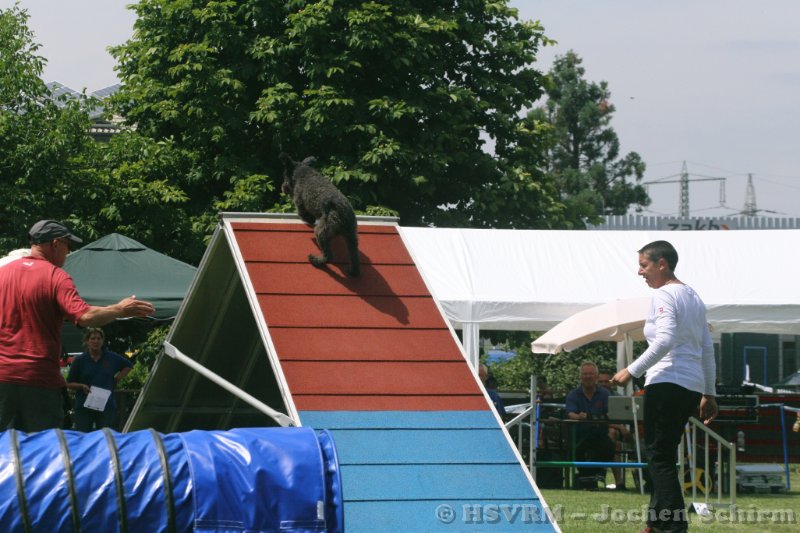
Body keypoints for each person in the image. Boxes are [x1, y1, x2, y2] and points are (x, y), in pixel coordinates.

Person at [0, 220, 155, 432]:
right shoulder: (56, 276)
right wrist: (119, 309)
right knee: (43, 447)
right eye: (68, 245)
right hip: (38, 380)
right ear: (55, 243)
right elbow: (85, 316)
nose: (69, 251)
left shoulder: (3, 273)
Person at [610, 240, 718, 533]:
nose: (640, 272)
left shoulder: (664, 294)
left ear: (662, 264)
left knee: (659, 457)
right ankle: (655, 525)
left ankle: (673, 527)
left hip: (667, 381)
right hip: (690, 386)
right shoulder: (693, 297)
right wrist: (709, 392)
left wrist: (631, 370)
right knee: (664, 456)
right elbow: (707, 349)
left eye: (643, 265)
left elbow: (665, 339)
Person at [66, 328, 133, 431]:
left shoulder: (111, 357)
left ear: (102, 341)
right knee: (83, 435)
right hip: (84, 404)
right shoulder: (79, 360)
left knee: (105, 435)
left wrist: (116, 379)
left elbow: (128, 366)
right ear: (87, 341)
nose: (96, 341)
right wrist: (81, 386)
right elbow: (68, 383)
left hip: (106, 404)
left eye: (98, 338)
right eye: (93, 338)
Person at [565, 361, 615, 488]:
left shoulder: (605, 394)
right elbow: (570, 413)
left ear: (596, 377)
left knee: (609, 447)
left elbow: (610, 414)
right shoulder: (573, 394)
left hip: (600, 435)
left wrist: (591, 417)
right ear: (580, 377)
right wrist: (579, 417)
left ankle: (589, 476)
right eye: (585, 374)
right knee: (574, 450)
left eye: (591, 374)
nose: (588, 377)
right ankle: (589, 476)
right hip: (580, 434)